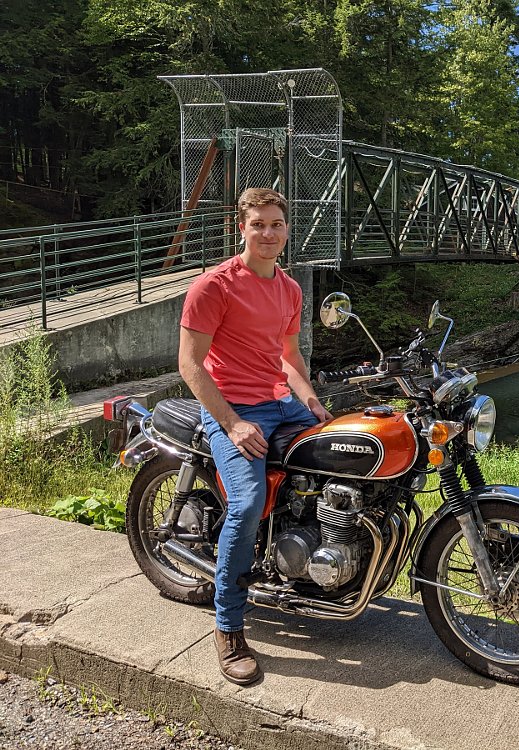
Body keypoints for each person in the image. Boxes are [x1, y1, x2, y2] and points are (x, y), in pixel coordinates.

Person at [178, 187, 332, 685]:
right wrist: (232, 422)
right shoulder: (214, 286)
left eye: (276, 225)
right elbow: (190, 365)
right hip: (232, 407)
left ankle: (311, 565)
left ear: (288, 230)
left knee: (344, 457)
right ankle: (228, 627)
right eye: (258, 224)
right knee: (245, 504)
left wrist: (310, 403)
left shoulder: (289, 289)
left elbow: (289, 359)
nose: (268, 233)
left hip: (281, 403)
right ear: (240, 228)